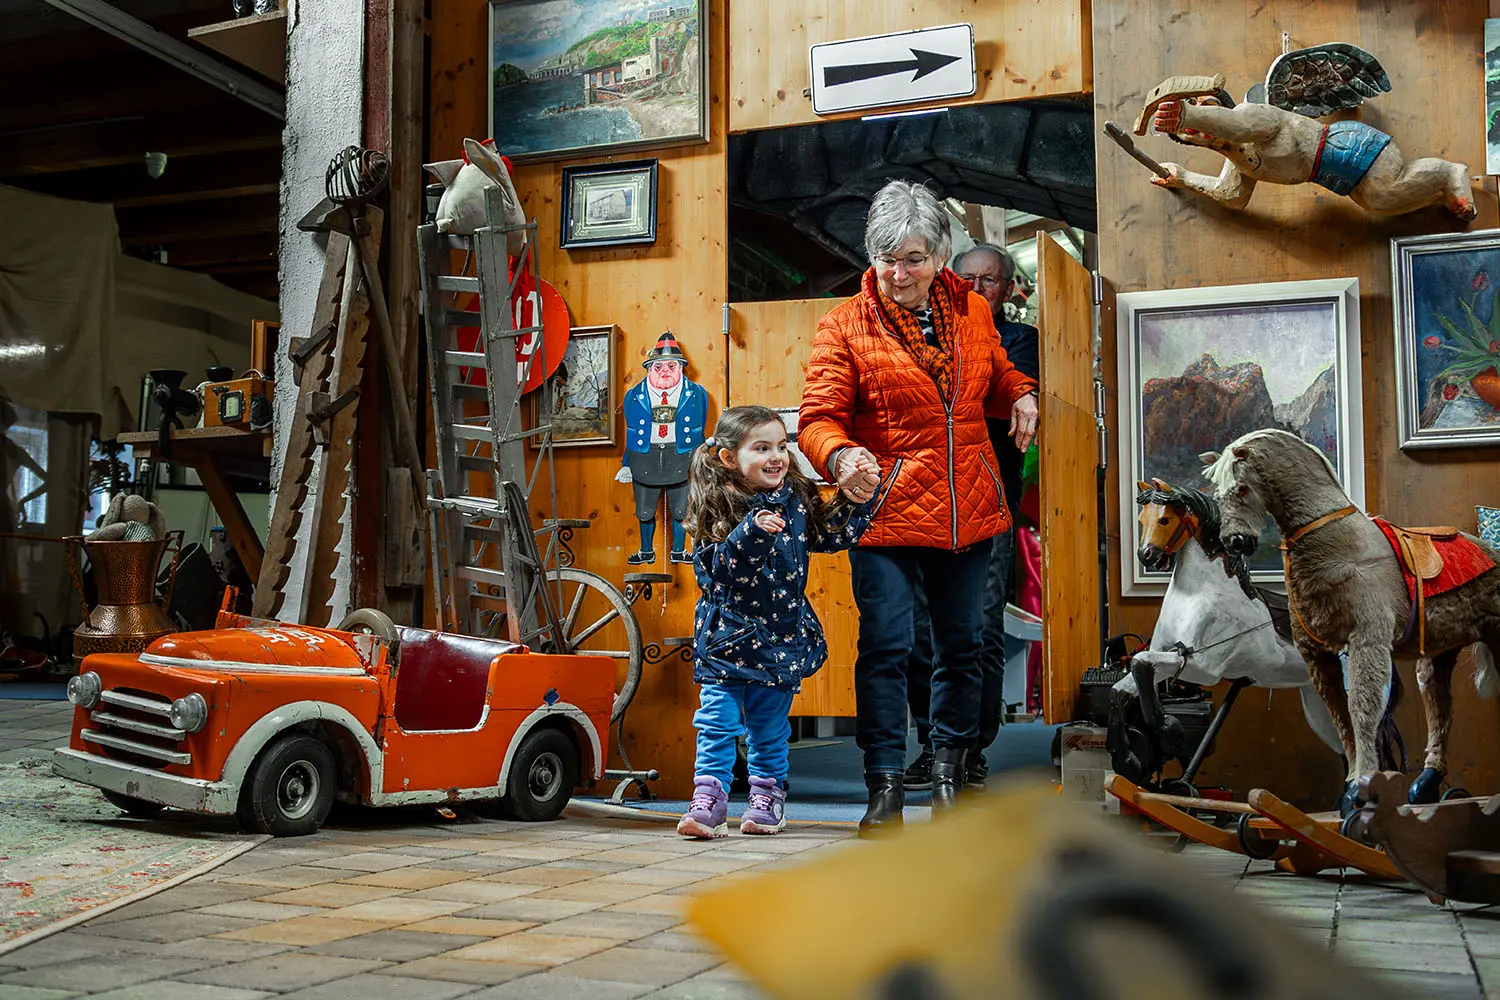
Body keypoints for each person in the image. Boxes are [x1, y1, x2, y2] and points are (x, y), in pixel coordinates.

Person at [799, 181, 1039, 836]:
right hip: (885, 512)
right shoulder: (845, 324)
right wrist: (841, 457)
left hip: (969, 509)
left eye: (911, 259)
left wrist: (1020, 394)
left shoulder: (973, 314)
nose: (897, 274)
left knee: (962, 645)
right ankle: (883, 785)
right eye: (885, 259)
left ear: (939, 256)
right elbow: (819, 419)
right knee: (889, 646)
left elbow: (996, 374)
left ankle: (947, 774)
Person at [677, 406, 885, 839]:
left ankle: (766, 799)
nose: (777, 457)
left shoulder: (793, 497)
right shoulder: (715, 502)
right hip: (726, 638)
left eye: (781, 446)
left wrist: (857, 499)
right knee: (716, 721)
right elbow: (715, 572)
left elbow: (829, 534)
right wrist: (751, 533)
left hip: (779, 637)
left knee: (769, 728)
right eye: (762, 448)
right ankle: (708, 801)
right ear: (728, 458)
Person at [904, 244, 1040, 791]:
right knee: (917, 632)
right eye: (967, 277)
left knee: (977, 629)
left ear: (1008, 290)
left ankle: (967, 748)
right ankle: (933, 742)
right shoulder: (917, 328)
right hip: (918, 504)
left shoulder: (1019, 341)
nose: (977, 286)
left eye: (990, 280)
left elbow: (990, 399)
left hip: (988, 505)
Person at [615, 332, 709, 565]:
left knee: (681, 509)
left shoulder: (696, 394)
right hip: (645, 455)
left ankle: (678, 550)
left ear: (680, 368)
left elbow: (700, 427)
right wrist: (627, 463)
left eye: (670, 365)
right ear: (649, 369)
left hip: (682, 454)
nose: (664, 371)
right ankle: (646, 550)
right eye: (658, 367)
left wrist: (702, 459)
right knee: (644, 510)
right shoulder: (634, 396)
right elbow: (632, 432)